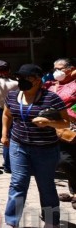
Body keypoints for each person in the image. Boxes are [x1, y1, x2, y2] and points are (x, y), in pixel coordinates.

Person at [1, 64, 70, 228]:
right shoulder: (13, 95)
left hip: (45, 149)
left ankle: (51, 221)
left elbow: (65, 123)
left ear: (38, 80)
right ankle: (11, 223)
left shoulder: (51, 99)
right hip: (19, 146)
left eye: (26, 78)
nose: (21, 81)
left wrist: (48, 123)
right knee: (18, 183)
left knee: (46, 185)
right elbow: (7, 114)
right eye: (20, 78)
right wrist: (4, 134)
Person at [44, 58, 76, 209]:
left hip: (73, 127)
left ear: (70, 69)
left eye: (60, 68)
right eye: (54, 68)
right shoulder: (51, 86)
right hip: (58, 130)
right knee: (64, 161)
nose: (56, 71)